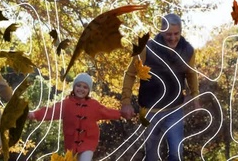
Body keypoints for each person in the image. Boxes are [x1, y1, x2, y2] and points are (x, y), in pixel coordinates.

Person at [120, 14, 200, 161]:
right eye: (168, 34)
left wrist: (195, 95)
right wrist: (126, 101)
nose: (172, 38)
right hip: (150, 111)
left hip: (174, 110)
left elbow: (191, 73)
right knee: (152, 156)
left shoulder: (188, 50)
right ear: (162, 31)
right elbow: (130, 74)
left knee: (176, 153)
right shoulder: (146, 48)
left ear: (181, 31)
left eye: (176, 33)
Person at [27, 73, 122, 161]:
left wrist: (121, 113)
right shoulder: (66, 104)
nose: (81, 89)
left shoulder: (94, 105)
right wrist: (35, 114)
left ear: (89, 90)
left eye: (85, 87)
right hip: (71, 142)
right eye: (78, 85)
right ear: (73, 87)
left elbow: (107, 112)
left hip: (88, 141)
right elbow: (51, 111)